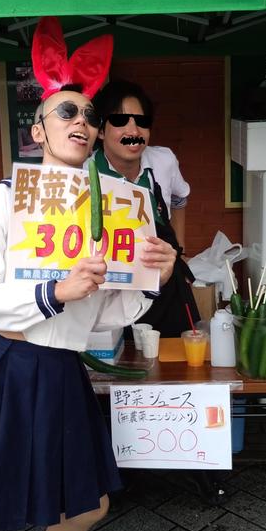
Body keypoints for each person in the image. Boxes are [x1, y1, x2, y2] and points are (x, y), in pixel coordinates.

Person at [0, 18, 176, 531]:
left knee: (87, 505)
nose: (81, 121)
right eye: (67, 112)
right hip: (4, 367)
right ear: (37, 131)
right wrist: (56, 291)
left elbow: (104, 314)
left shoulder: (112, 211)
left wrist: (152, 280)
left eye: (90, 115)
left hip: (62, 369)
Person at [93, 79, 200, 337]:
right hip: (113, 289)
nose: (133, 130)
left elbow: (180, 198)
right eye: (120, 121)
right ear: (100, 130)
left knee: (176, 351)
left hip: (164, 279)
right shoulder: (85, 175)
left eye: (141, 122)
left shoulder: (163, 160)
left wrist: (179, 251)